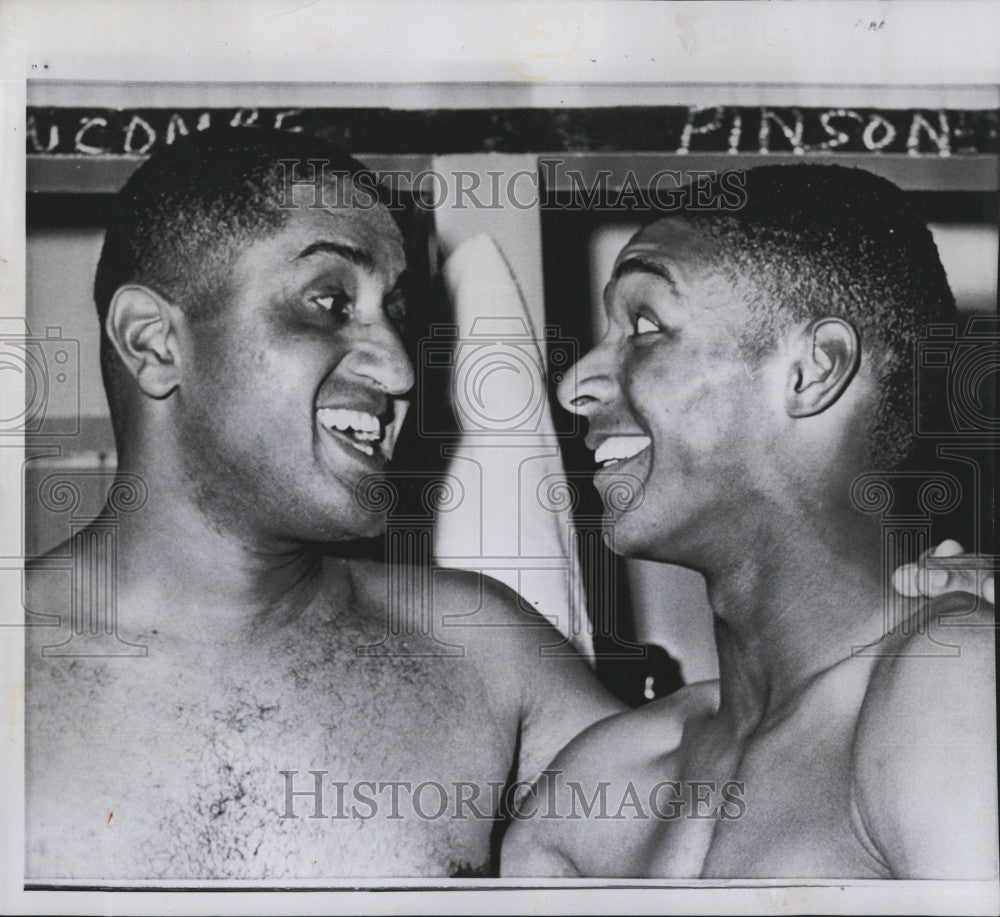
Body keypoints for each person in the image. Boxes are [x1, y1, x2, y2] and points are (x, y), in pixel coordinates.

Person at [23, 128, 624, 880]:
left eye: (397, 313)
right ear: (153, 343)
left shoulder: (485, 653)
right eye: (330, 301)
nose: (401, 369)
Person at [502, 165, 997, 879]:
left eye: (644, 326)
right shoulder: (593, 788)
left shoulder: (952, 680)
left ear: (812, 369)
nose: (575, 381)